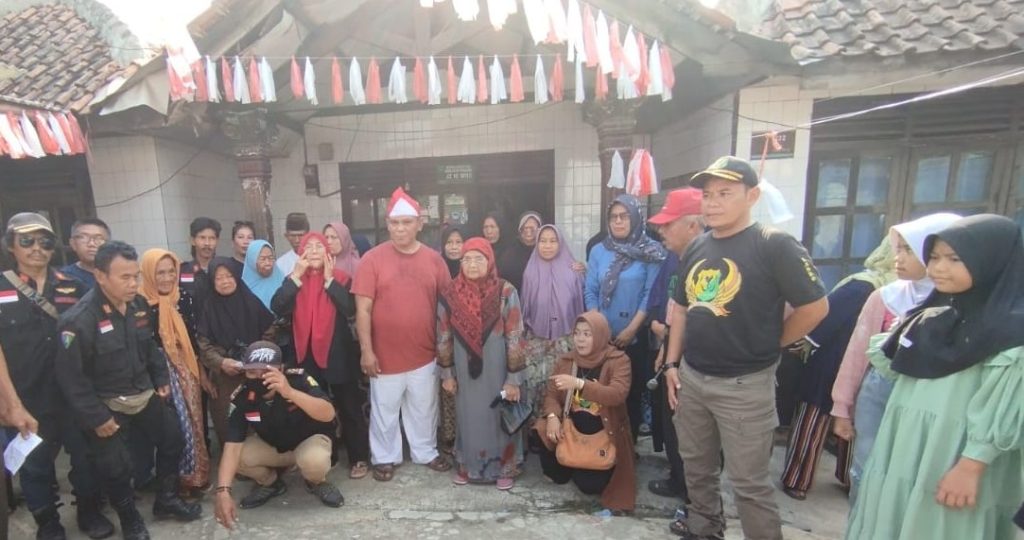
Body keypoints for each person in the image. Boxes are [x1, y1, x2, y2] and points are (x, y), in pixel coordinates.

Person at [663, 157, 829, 540]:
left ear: (752, 196)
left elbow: (816, 307)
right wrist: (672, 364)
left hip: (745, 386)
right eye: (707, 195)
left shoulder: (774, 245)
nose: (713, 203)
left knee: (749, 485)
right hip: (693, 377)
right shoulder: (697, 247)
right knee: (697, 469)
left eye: (725, 194)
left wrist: (773, 343)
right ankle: (704, 530)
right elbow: (683, 311)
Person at [846, 214, 1024, 540]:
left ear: (993, 260)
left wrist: (972, 466)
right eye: (935, 257)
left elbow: (1004, 411)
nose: (939, 268)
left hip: (955, 458)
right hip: (903, 453)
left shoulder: (1011, 332)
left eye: (955, 259)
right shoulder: (928, 320)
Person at [55, 241, 201, 540]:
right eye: (124, 277)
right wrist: (96, 418)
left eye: (135, 276)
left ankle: (166, 499)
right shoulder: (78, 320)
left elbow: (148, 346)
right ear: (100, 276)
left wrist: (160, 378)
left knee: (173, 438)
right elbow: (71, 378)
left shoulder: (137, 306)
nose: (133, 283)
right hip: (107, 406)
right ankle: (130, 519)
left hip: (144, 395)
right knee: (117, 467)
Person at [830, 212, 961, 503]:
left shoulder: (961, 305)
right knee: (867, 469)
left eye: (909, 250)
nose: (898, 258)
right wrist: (842, 406)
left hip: (932, 407)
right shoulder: (886, 297)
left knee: (916, 478)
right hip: (878, 398)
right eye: (898, 249)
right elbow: (856, 355)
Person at [0, 213, 113, 540]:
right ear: (11, 245)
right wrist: (11, 404)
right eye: (27, 240)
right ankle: (47, 523)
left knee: (87, 458)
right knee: (35, 467)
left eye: (45, 241)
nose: (38, 248)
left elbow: (94, 337)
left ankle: (89, 512)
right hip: (27, 397)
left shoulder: (72, 285)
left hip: (73, 394)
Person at [778, 239, 894, 501]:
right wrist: (806, 343)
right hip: (834, 359)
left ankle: (848, 476)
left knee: (856, 419)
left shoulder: (907, 290)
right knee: (815, 415)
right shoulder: (864, 286)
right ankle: (798, 478)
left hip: (869, 363)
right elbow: (825, 316)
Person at [352, 187, 453, 482]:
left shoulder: (434, 260)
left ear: (420, 223)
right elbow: (363, 310)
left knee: (424, 407)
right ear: (388, 224)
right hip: (384, 356)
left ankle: (425, 451)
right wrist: (366, 350)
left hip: (424, 352)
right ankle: (384, 457)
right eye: (395, 223)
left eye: (406, 223)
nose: (400, 229)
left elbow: (446, 307)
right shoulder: (371, 259)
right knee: (384, 410)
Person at [213, 341, 342, 530]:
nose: (259, 378)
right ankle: (271, 483)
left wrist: (289, 392)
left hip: (308, 441)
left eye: (266, 372)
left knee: (313, 461)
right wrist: (223, 492)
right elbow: (232, 446)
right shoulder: (243, 396)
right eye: (252, 373)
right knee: (238, 457)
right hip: (275, 446)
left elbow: (328, 413)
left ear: (281, 369)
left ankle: (316, 482)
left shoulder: (298, 379)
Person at [271, 232, 369, 480]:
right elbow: (278, 306)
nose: (314, 250)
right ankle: (328, 456)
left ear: (328, 252)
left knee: (349, 406)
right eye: (308, 247)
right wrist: (295, 276)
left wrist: (328, 280)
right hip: (306, 357)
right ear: (301, 252)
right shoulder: (293, 280)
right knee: (314, 408)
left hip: (338, 356)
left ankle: (359, 457)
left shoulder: (342, 278)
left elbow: (349, 310)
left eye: (319, 246)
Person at [437, 237, 526, 489]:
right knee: (469, 416)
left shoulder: (505, 291)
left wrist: (513, 379)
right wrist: (447, 374)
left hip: (499, 369)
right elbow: (443, 335)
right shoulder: (450, 293)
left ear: (490, 261)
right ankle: (468, 466)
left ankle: (504, 468)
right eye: (467, 259)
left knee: (499, 414)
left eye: (479, 258)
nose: (472, 264)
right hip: (464, 370)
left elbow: (515, 336)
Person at [534, 311, 635, 513]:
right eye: (577, 333)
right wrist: (553, 417)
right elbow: (552, 395)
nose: (580, 339)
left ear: (600, 335)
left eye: (587, 334)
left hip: (602, 434)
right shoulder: (567, 361)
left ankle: (579, 464)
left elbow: (617, 394)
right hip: (570, 430)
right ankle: (569, 462)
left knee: (589, 487)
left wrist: (580, 384)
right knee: (541, 430)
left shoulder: (618, 360)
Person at [585, 193, 665, 441]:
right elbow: (590, 290)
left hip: (634, 336)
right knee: (599, 389)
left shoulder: (651, 251)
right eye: (613, 217)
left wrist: (631, 330)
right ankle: (600, 444)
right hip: (601, 338)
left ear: (635, 218)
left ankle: (627, 448)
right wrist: (599, 327)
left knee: (629, 391)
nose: (618, 222)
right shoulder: (598, 251)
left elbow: (649, 294)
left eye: (624, 216)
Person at [645, 188, 704, 502]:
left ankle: (695, 500)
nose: (660, 230)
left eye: (669, 224)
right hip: (673, 356)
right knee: (673, 426)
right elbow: (670, 306)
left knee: (694, 436)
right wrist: (665, 351)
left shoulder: (710, 264)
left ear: (693, 225)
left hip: (699, 367)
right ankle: (681, 483)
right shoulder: (675, 258)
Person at [139, 249, 211, 497]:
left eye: (172, 271)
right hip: (158, 375)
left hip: (186, 367)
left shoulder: (184, 299)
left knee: (194, 423)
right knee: (172, 428)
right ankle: (173, 485)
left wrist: (199, 370)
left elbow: (192, 338)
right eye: (160, 272)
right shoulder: (138, 306)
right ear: (148, 274)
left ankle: (195, 477)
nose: (167, 278)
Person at [197, 258, 276, 450]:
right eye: (219, 278)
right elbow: (203, 344)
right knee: (227, 420)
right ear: (212, 282)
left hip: (256, 372)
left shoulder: (250, 300)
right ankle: (237, 463)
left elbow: (270, 330)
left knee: (261, 419)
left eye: (229, 276)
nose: (225, 281)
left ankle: (266, 462)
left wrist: (257, 357)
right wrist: (222, 362)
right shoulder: (208, 307)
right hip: (225, 376)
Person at [520, 225, 585, 426]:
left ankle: (567, 430)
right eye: (543, 241)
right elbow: (524, 306)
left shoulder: (574, 271)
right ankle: (538, 432)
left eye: (553, 240)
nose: (547, 246)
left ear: (560, 243)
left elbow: (581, 305)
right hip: (536, 341)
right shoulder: (530, 272)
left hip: (565, 340)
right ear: (536, 243)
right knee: (536, 387)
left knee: (563, 385)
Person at [179, 217, 221, 321]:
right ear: (193, 240)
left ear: (217, 241)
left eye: (212, 238)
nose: (207, 243)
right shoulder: (183, 271)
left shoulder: (224, 270)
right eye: (202, 238)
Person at [495, 211, 541, 292]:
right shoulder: (510, 251)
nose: (528, 231)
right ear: (519, 230)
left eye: (532, 228)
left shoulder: (545, 250)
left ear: (539, 229)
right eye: (524, 228)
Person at [60, 218, 111, 290]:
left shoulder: (119, 274)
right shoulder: (65, 277)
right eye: (83, 237)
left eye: (98, 238)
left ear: (108, 244)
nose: (91, 244)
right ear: (73, 243)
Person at [241, 240, 286, 314]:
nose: (267, 263)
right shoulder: (243, 287)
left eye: (270, 258)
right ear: (252, 260)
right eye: (262, 259)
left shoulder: (282, 279)